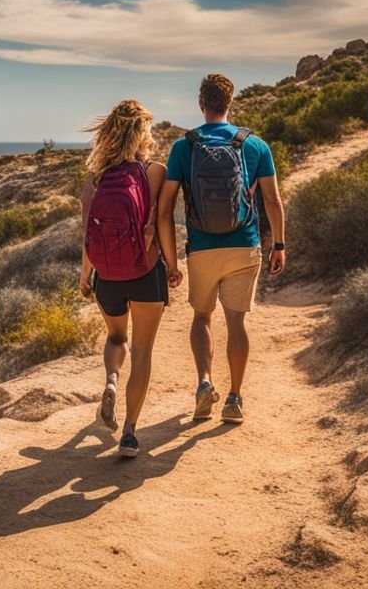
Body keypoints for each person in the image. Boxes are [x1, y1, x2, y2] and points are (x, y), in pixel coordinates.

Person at [158, 74, 286, 425]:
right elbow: (272, 201)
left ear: (201, 104)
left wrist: (171, 259)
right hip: (244, 246)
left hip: (201, 249)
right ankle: (234, 398)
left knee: (202, 318)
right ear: (230, 104)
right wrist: (279, 244)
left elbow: (165, 208)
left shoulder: (184, 147)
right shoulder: (255, 145)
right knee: (236, 321)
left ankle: (203, 382)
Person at [79, 99, 182, 458]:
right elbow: (163, 220)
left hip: (106, 274)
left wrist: (85, 275)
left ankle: (110, 380)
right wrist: (172, 264)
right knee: (142, 351)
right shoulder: (155, 172)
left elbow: (87, 235)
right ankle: (129, 433)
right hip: (145, 270)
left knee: (116, 336)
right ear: (142, 134)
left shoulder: (95, 179)